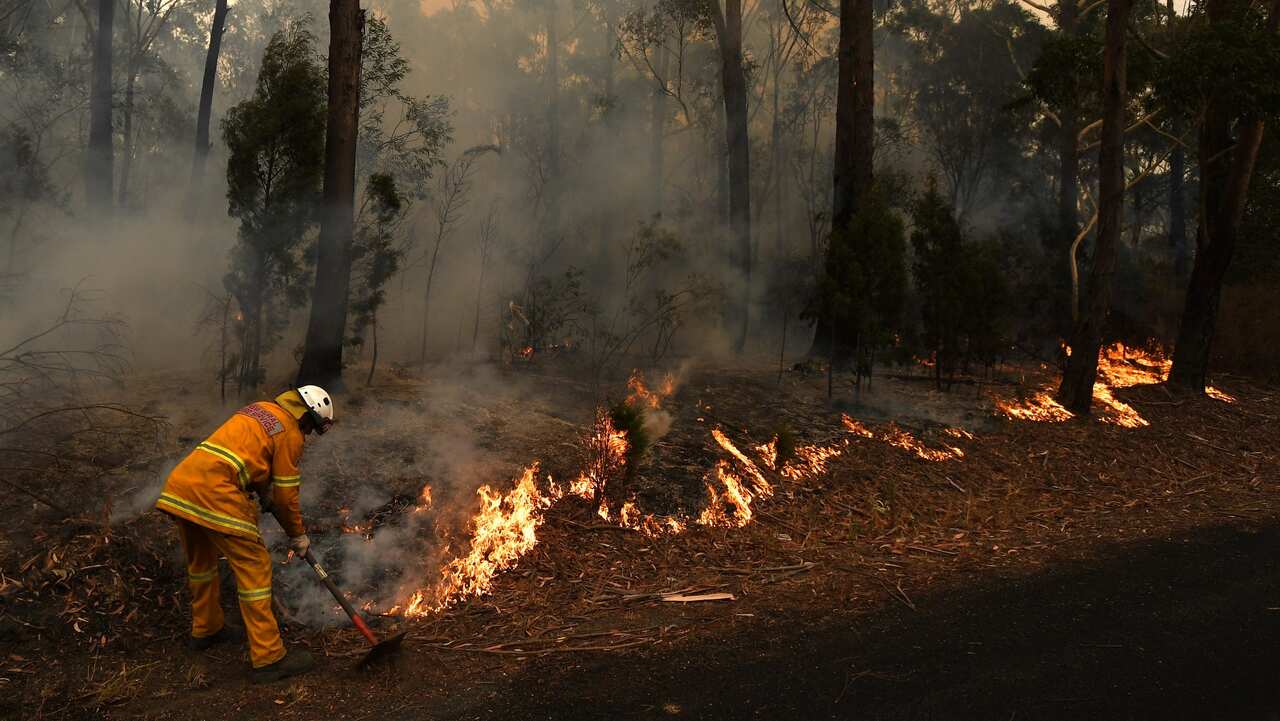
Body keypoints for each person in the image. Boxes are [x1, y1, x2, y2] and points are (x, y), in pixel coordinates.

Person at [155, 385, 334, 683]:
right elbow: (287, 496)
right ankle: (269, 658)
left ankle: (207, 629)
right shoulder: (290, 431)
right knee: (255, 567)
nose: (307, 434)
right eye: (310, 427)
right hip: (216, 492)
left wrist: (262, 491)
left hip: (182, 486)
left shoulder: (259, 410)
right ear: (305, 415)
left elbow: (247, 456)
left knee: (201, 564)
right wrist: (298, 534)